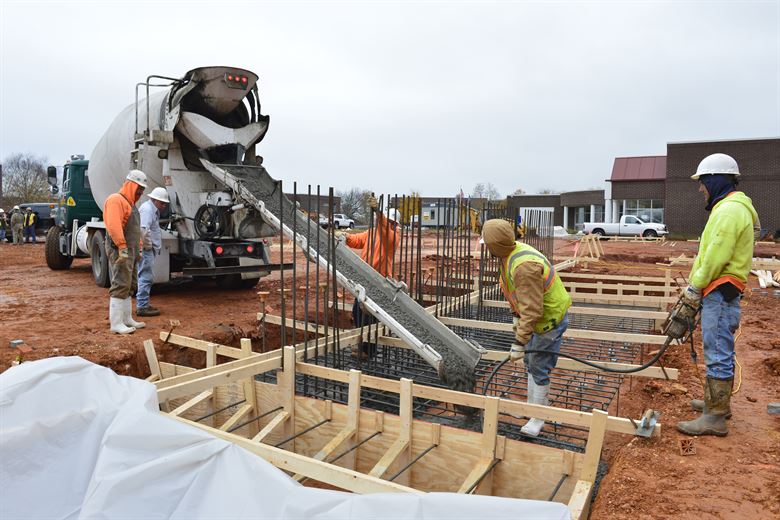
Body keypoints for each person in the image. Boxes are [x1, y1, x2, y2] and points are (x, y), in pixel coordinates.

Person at [677, 153, 759, 437]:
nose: (701, 188)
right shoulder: (730, 208)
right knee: (718, 346)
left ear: (715, 179)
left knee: (717, 349)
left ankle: (714, 417)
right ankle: (717, 404)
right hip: (721, 289)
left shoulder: (729, 211)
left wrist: (694, 287)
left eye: (703, 182)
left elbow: (715, 255)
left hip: (719, 289)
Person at [481, 219, 572, 437]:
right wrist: (516, 318)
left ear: (496, 246)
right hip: (537, 319)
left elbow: (532, 311)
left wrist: (519, 342)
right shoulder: (510, 255)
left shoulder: (524, 267)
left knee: (539, 366)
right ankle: (531, 408)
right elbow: (517, 295)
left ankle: (538, 417)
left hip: (548, 321)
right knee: (531, 363)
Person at [342, 196, 400, 359]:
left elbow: (383, 228)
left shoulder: (393, 237)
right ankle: (362, 346)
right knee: (357, 312)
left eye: (391, 223)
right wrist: (346, 236)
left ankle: (368, 351)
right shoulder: (372, 233)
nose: (389, 225)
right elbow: (356, 240)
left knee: (370, 317)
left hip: (378, 281)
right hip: (363, 279)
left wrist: (377, 211)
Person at [103, 169, 148, 334]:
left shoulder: (131, 205)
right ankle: (116, 323)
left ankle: (127, 319)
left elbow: (135, 231)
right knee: (121, 282)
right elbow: (114, 226)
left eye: (143, 189)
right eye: (139, 188)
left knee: (130, 284)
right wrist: (122, 247)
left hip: (132, 251)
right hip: (121, 250)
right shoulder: (116, 200)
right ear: (131, 185)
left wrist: (139, 248)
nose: (141, 192)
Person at [136, 187, 170, 317]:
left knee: (146, 276)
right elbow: (143, 229)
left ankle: (143, 304)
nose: (164, 206)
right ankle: (142, 306)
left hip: (148, 249)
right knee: (146, 276)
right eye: (162, 203)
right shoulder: (148, 210)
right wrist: (148, 246)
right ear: (154, 200)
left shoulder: (152, 209)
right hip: (146, 249)